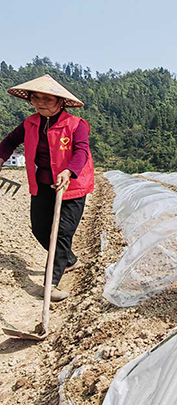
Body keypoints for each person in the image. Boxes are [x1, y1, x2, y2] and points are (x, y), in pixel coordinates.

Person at [0, 74, 94, 301]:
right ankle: (68, 260)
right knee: (40, 229)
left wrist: (69, 171)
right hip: (43, 184)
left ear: (60, 101)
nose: (40, 102)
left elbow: (81, 151)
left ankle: (51, 283)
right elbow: (9, 142)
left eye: (47, 99)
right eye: (36, 98)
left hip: (71, 186)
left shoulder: (76, 125)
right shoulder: (29, 124)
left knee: (61, 233)